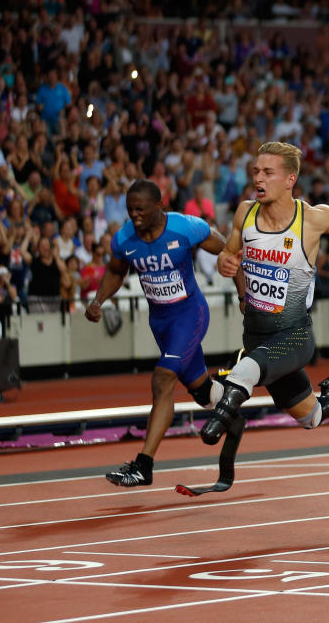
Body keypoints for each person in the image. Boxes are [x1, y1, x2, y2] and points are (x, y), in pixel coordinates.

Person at [199, 141, 329, 448]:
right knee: (310, 417)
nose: (258, 179)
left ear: (289, 180)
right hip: (255, 336)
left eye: (268, 172)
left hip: (293, 336)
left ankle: (218, 423)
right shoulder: (245, 212)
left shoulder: (311, 218)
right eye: (256, 171)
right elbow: (228, 256)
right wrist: (227, 266)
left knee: (241, 373)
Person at [86, 179, 243, 487]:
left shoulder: (186, 228)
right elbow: (117, 271)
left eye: (141, 209)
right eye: (131, 210)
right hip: (160, 323)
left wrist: (242, 296)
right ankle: (232, 409)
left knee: (162, 379)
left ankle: (143, 465)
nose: (134, 216)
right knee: (201, 391)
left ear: (160, 206)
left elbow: (228, 252)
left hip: (190, 315)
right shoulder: (124, 239)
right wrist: (98, 300)